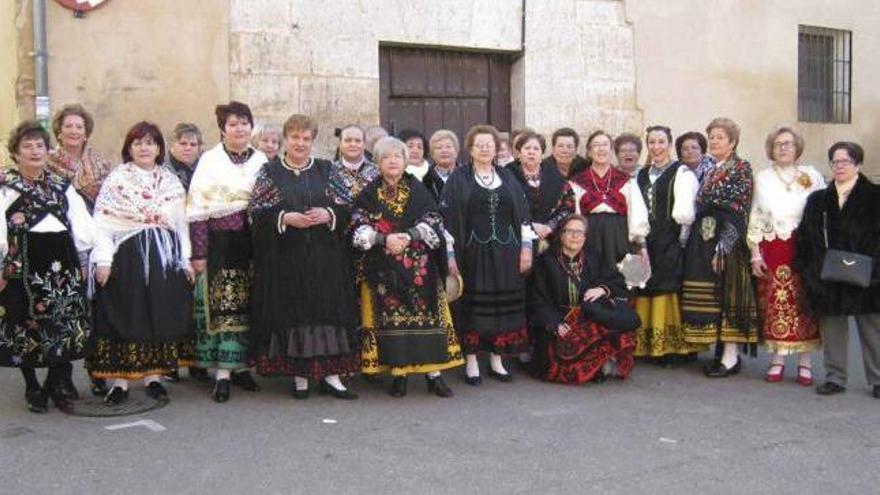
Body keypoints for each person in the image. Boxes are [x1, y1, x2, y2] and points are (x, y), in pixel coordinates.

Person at [249, 114, 360, 400]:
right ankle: (300, 377)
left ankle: (331, 376)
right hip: (287, 258)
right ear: (286, 139)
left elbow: (347, 206)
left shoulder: (327, 170)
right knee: (295, 313)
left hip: (326, 258)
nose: (300, 143)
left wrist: (329, 214)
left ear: (313, 141)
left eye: (306, 138)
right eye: (295, 137)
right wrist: (285, 218)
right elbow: (256, 213)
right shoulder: (270, 172)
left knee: (327, 312)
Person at [87, 121, 194, 405]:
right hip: (127, 257)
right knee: (126, 314)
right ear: (129, 148)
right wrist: (103, 261)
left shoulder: (170, 181)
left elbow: (181, 224)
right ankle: (120, 381)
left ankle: (154, 378)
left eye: (149, 142)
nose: (144, 148)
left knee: (157, 315)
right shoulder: (117, 180)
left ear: (159, 148)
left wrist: (185, 259)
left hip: (165, 258)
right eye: (138, 143)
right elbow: (103, 223)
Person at [352, 136, 464, 397]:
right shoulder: (368, 193)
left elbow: (434, 219)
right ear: (378, 162)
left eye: (398, 156)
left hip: (419, 268)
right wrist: (383, 239)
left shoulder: (418, 188)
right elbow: (357, 225)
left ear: (405, 161)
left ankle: (433, 375)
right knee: (392, 324)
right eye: (387, 157)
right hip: (382, 267)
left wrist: (410, 235)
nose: (393, 161)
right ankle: (398, 375)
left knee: (427, 321)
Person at [0, 120, 94, 413]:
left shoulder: (61, 186)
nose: (34, 151)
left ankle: (56, 381)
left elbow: (82, 225)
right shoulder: (6, 187)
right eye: (27, 146)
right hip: (21, 265)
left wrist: (87, 260)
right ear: (16, 153)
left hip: (60, 264)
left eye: (39, 145)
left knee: (62, 324)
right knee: (24, 325)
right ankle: (32, 385)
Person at [440, 124, 534, 385]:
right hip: (472, 253)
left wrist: (526, 249)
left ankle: (496, 358)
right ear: (470, 149)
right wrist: (449, 255)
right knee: (473, 307)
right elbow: (446, 222)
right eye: (479, 144)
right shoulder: (458, 179)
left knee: (502, 308)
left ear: (497, 148)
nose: (484, 148)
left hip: (506, 252)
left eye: (489, 144)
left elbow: (524, 216)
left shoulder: (508, 177)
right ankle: (471, 360)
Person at [187, 101, 267, 402]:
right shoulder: (210, 161)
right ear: (223, 128)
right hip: (221, 242)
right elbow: (197, 210)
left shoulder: (260, 160)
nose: (239, 128)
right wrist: (199, 253)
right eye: (233, 124)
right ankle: (222, 372)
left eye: (244, 123)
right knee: (223, 306)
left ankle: (244, 366)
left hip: (253, 243)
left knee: (250, 306)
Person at [795, 141, 880, 399]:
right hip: (828, 275)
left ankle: (877, 378)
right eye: (835, 161)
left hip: (868, 274)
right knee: (833, 329)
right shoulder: (818, 199)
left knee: (872, 329)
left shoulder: (875, 196)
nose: (839, 166)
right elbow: (805, 237)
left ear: (858, 164)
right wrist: (809, 270)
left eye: (845, 161)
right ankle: (835, 377)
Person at [681, 117, 758, 377]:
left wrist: (723, 247)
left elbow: (738, 210)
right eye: (711, 136)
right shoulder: (713, 169)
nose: (714, 141)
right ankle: (721, 352)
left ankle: (730, 356)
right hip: (704, 238)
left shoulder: (741, 168)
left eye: (720, 137)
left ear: (733, 142)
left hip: (728, 242)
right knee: (713, 297)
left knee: (729, 296)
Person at [748, 126, 824, 385]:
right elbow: (756, 216)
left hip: (804, 247)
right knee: (776, 303)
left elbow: (822, 213)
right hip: (773, 245)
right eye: (779, 144)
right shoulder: (763, 177)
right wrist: (755, 254)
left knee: (804, 302)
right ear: (771, 148)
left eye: (789, 143)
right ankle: (777, 359)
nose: (783, 148)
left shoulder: (811, 176)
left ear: (797, 148)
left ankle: (805, 362)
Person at [528, 214, 639, 383]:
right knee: (559, 356)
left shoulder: (593, 258)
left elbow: (616, 281)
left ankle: (598, 366)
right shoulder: (545, 262)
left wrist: (602, 289)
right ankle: (596, 368)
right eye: (570, 231)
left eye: (580, 232)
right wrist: (554, 323)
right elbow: (537, 300)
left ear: (585, 237)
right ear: (561, 234)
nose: (575, 236)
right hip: (559, 319)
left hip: (588, 316)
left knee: (607, 329)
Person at [633, 126, 705, 363]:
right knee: (641, 285)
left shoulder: (681, 172)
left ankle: (671, 347)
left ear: (669, 144)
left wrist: (680, 243)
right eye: (651, 142)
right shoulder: (640, 175)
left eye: (661, 142)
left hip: (670, 238)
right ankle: (643, 345)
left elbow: (685, 213)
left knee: (668, 286)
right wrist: (639, 239)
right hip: (643, 238)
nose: (656, 147)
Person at [570, 130, 650, 273]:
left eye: (605, 144)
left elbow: (637, 216)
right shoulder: (576, 182)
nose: (601, 149)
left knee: (626, 280)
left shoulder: (627, 181)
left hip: (621, 236)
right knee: (591, 278)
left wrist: (642, 247)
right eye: (596, 145)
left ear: (611, 150)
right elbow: (574, 215)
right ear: (589, 151)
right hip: (590, 236)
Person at [509, 131, 575, 247]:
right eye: (527, 148)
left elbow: (568, 206)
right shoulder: (507, 175)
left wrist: (550, 226)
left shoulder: (555, 176)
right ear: (519, 153)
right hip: (516, 238)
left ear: (542, 154)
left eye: (536, 149)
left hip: (550, 238)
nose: (531, 152)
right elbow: (503, 207)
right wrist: (530, 225)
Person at [47, 104, 114, 211]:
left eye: (79, 127)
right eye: (68, 126)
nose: (74, 131)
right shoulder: (47, 163)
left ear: (85, 134)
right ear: (59, 132)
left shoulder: (101, 165)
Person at [327, 124, 379, 207]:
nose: (353, 144)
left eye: (357, 141)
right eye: (348, 140)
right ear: (340, 144)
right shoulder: (328, 172)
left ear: (364, 144)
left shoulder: (378, 172)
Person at [423, 129, 460, 202]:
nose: (444, 151)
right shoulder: (424, 178)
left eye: (448, 147)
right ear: (432, 154)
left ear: (456, 151)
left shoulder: (468, 176)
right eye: (439, 147)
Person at [165, 122, 203, 191]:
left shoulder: (205, 167)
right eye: (183, 144)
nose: (188, 148)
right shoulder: (161, 168)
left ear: (199, 148)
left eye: (193, 144)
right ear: (172, 145)